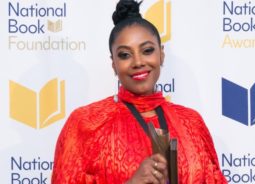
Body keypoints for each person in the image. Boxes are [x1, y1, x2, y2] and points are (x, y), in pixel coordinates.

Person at [51, 0, 227, 183]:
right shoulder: (86, 124)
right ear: (114, 65)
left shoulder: (191, 122)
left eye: (147, 50)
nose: (138, 62)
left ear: (161, 54)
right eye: (125, 55)